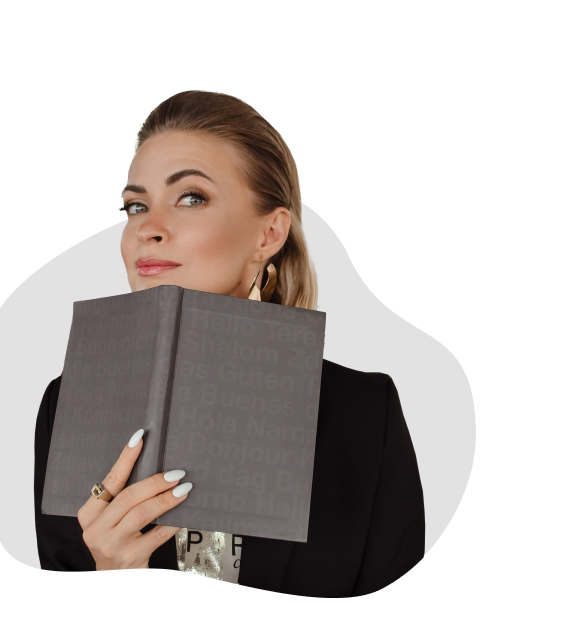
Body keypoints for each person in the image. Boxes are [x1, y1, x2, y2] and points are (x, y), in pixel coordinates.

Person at [34, 89, 425, 594]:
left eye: (191, 197)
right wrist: (114, 573)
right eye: (135, 205)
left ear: (269, 234)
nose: (148, 228)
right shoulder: (70, 406)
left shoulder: (366, 415)